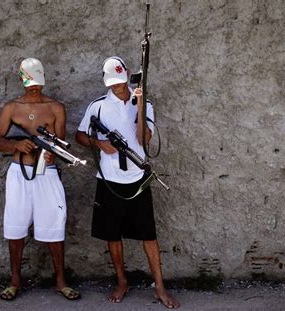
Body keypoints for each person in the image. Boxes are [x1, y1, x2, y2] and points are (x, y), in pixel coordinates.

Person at [75, 56, 179, 309]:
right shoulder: (97, 106)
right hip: (109, 180)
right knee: (113, 235)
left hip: (137, 179)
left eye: (121, 82)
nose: (117, 87)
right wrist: (100, 144)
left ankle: (159, 286)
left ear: (128, 75)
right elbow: (79, 135)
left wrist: (140, 105)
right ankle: (122, 281)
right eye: (113, 83)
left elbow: (143, 139)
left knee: (149, 235)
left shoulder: (144, 103)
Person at [0, 58, 80, 301]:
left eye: (37, 83)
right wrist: (17, 144)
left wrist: (52, 155)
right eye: (29, 83)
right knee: (16, 227)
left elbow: (60, 142)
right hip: (19, 173)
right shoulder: (11, 108)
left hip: (47, 173)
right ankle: (14, 282)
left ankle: (61, 281)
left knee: (55, 225)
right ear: (22, 79)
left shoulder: (56, 108)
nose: (34, 88)